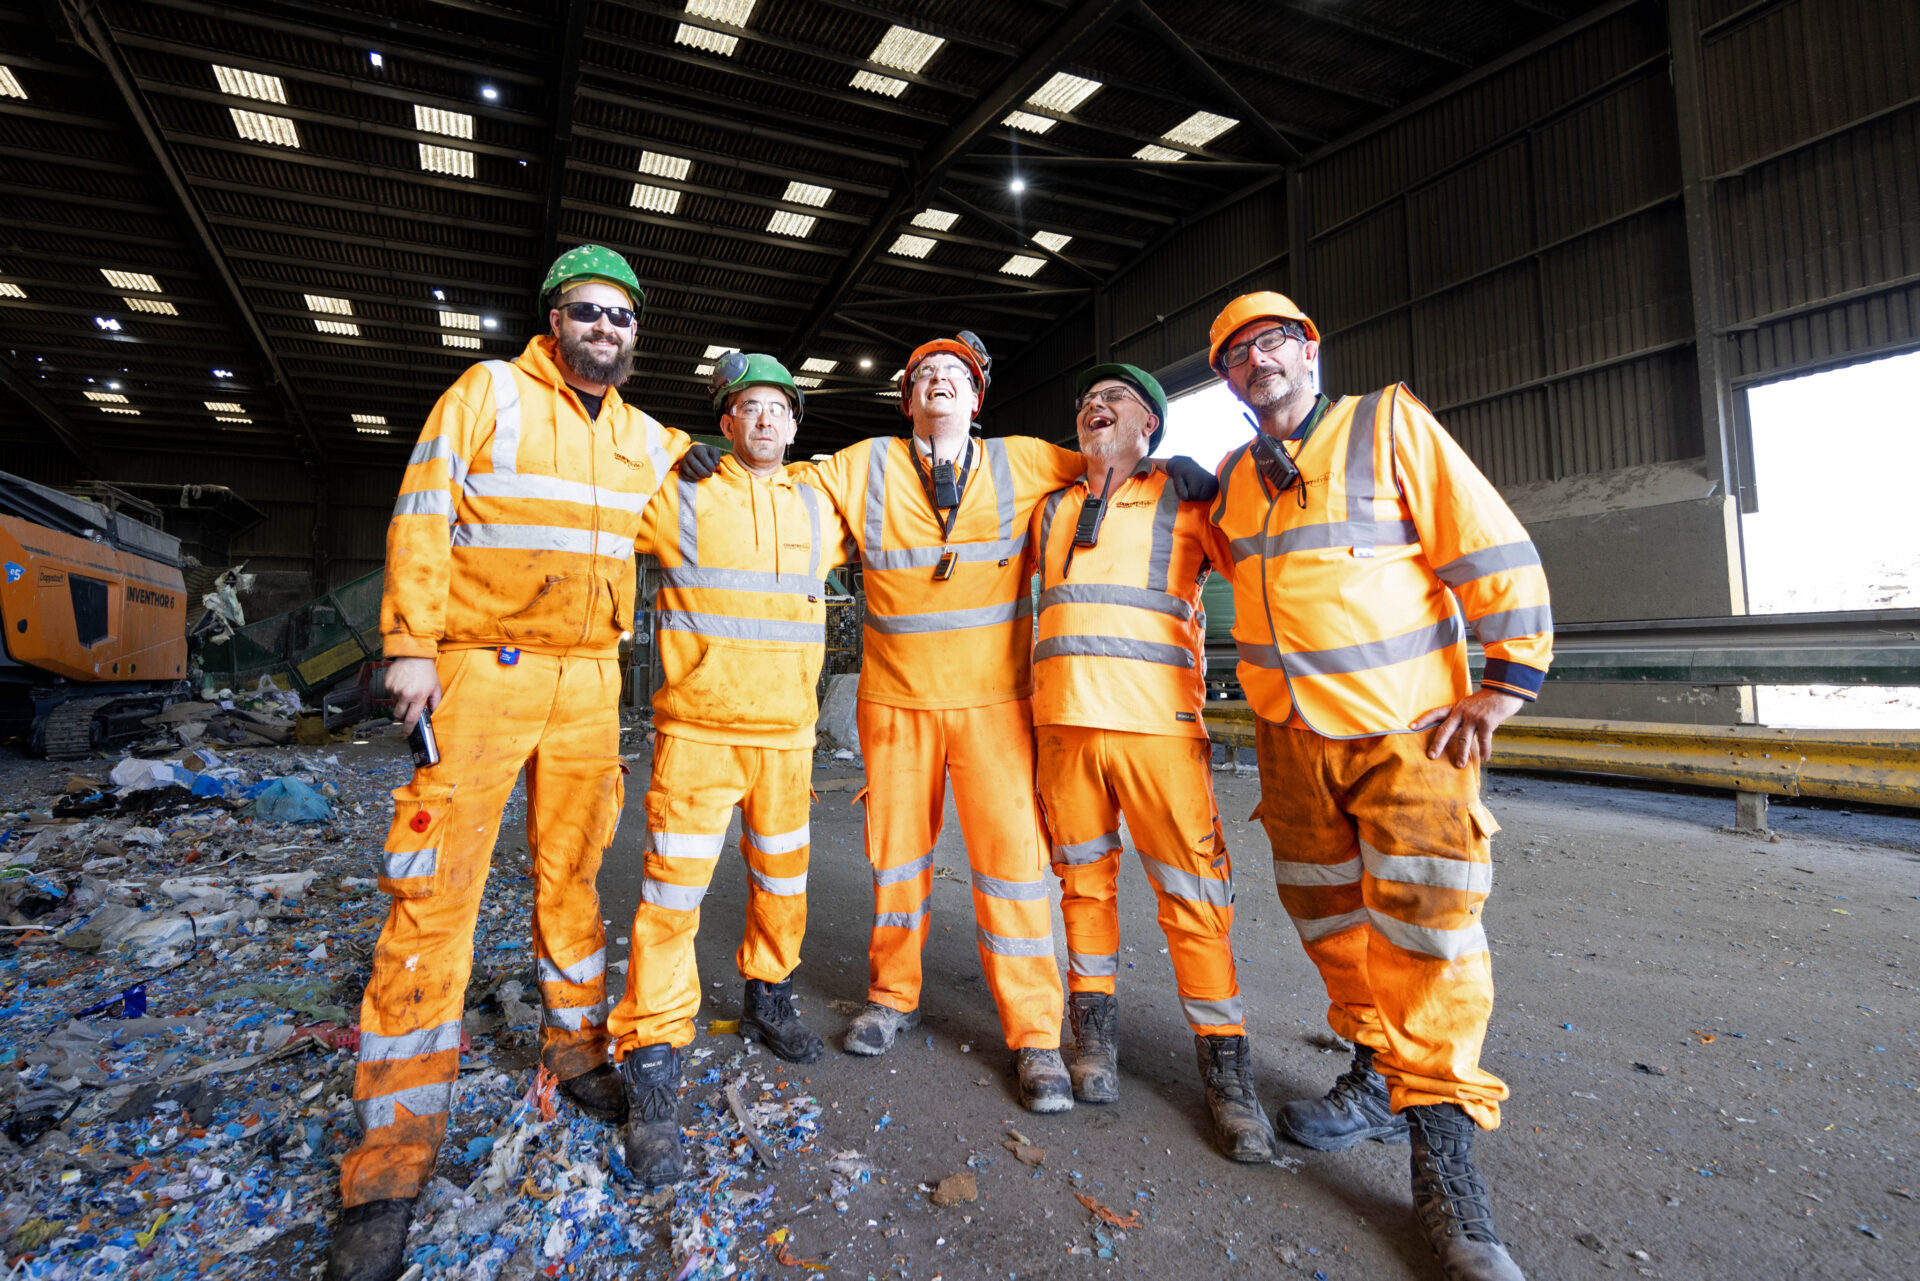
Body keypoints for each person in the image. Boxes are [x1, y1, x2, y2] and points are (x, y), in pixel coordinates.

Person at [327, 246, 710, 1281]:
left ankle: (575, 1048)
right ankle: (389, 1163)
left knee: (573, 875)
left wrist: (723, 446)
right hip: (479, 668)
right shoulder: (490, 392)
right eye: (588, 311)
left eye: (623, 318)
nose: (605, 329)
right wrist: (409, 645)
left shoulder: (642, 436)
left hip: (587, 681)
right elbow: (424, 510)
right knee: (433, 896)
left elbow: (707, 478)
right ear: (554, 318)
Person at [773, 332, 1218, 1112]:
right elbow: (778, 483)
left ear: (977, 398)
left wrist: (1168, 465)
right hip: (897, 703)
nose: (939, 380)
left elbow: (1105, 461)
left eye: (954, 372)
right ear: (907, 399)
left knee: (1014, 867)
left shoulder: (1023, 461)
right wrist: (714, 465)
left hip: (995, 704)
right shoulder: (865, 464)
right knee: (897, 863)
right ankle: (891, 995)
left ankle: (1036, 1034)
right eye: (924, 374)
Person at [1204, 291, 1552, 1281]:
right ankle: (1374, 1072)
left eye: (1273, 341)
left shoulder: (1387, 425)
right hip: (1293, 743)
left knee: (1429, 935)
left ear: (1309, 350)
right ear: (1228, 382)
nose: (1258, 361)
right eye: (1237, 354)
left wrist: (1507, 680)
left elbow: (1489, 544)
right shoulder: (1235, 481)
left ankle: (1444, 1160)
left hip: (1409, 734)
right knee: (1332, 923)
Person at [606, 354, 850, 1187]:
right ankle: (653, 1049)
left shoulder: (819, 504)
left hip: (787, 736)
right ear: (726, 422)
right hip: (699, 733)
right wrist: (674, 450)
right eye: (750, 407)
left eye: (779, 407)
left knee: (783, 882)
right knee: (672, 898)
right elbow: (605, 460)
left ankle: (769, 993)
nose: (766, 419)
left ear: (795, 424)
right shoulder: (682, 491)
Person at [1028, 361, 1273, 1162]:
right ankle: (1093, 1037)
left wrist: (1227, 479)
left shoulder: (1187, 496)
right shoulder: (1051, 509)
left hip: (1157, 729)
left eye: (1117, 400)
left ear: (1150, 425)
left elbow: (1265, 553)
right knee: (1082, 885)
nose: (1096, 406)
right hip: (1065, 726)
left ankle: (1226, 1068)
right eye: (1088, 399)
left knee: (1194, 895)